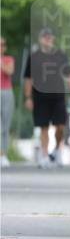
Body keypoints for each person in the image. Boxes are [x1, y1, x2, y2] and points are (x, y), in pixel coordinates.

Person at [23, 28, 70, 167]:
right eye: (45, 37)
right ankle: (44, 156)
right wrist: (28, 97)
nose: (48, 39)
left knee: (61, 126)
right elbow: (28, 78)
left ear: (53, 38)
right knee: (44, 127)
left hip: (58, 95)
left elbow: (69, 76)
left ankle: (57, 151)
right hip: (40, 96)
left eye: (50, 37)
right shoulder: (34, 56)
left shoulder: (60, 55)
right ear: (40, 39)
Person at [1, 37, 14, 167]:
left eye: (2, 45)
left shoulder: (8, 59)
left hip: (6, 92)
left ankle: (3, 154)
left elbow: (9, 71)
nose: (1, 47)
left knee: (5, 125)